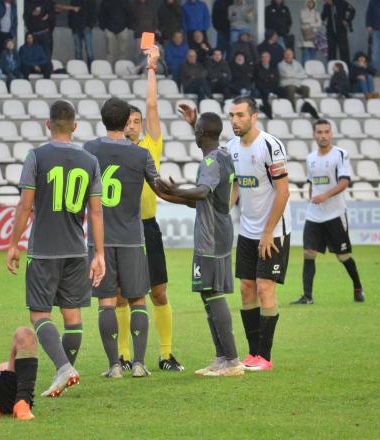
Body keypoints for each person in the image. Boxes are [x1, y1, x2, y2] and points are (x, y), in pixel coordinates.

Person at [6, 100, 105, 397]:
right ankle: (63, 372)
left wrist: (13, 244)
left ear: (47, 124)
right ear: (74, 127)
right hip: (76, 249)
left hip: (44, 250)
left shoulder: (36, 156)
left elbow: (25, 204)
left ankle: (64, 369)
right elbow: (97, 212)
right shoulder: (90, 161)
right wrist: (99, 253)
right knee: (72, 316)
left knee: (39, 315)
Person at [159, 106, 244, 377]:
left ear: (200, 134)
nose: (194, 136)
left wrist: (176, 189)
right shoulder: (222, 155)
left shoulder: (210, 161)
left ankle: (231, 359)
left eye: (196, 131)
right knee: (209, 293)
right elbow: (200, 198)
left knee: (213, 293)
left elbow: (201, 191)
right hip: (218, 230)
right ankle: (222, 357)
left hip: (211, 235)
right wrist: (169, 192)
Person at [83, 97, 162, 379]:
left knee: (106, 301)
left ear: (104, 120)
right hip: (131, 237)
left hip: (99, 240)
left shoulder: (89, 149)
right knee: (138, 299)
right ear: (127, 120)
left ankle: (115, 365)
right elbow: (159, 186)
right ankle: (139, 364)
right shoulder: (141, 154)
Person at [120, 46, 184, 373]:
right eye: (129, 122)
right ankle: (123, 355)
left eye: (138, 122)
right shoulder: (113, 151)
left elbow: (152, 103)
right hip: (122, 230)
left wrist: (151, 68)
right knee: (120, 296)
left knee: (158, 291)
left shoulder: (151, 145)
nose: (134, 126)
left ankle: (166, 354)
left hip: (148, 226)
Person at [226, 95, 290, 372]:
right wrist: (222, 211)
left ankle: (265, 356)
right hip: (248, 231)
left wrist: (267, 232)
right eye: (232, 116)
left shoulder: (270, 146)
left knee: (265, 288)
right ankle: (252, 354)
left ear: (253, 117)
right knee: (246, 289)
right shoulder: (231, 147)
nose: (235, 121)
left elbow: (283, 191)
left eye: (240, 115)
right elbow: (237, 185)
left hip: (273, 231)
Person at [291, 119, 364, 305]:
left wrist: (324, 196)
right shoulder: (310, 158)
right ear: (314, 135)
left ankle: (357, 287)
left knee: (342, 256)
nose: (323, 135)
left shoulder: (340, 154)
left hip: (334, 214)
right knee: (309, 252)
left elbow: (344, 182)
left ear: (331, 134)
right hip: (314, 214)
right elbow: (311, 182)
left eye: (326, 132)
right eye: (319, 132)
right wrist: (312, 197)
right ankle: (307, 296)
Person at [321, 0, 354, 64]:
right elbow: (323, 17)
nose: (325, 1)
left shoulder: (342, 2)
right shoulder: (326, 6)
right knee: (331, 51)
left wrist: (347, 20)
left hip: (341, 31)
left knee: (344, 50)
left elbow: (353, 10)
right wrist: (321, 17)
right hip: (330, 32)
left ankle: (346, 68)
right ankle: (332, 68)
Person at [98, 0, 130, 64]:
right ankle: (109, 70)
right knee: (110, 52)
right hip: (109, 29)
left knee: (122, 52)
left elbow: (129, 13)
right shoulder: (106, 1)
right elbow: (101, 14)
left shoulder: (125, 1)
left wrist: (128, 25)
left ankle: (121, 69)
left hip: (122, 28)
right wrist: (103, 26)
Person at [68, 0, 96, 67]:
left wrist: (90, 25)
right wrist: (72, 26)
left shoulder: (91, 1)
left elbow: (94, 13)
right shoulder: (74, 1)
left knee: (89, 51)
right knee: (78, 51)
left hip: (86, 28)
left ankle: (91, 70)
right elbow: (70, 13)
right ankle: (79, 69)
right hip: (76, 28)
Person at [254, 51, 279, 117]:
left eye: (266, 57)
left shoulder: (273, 67)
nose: (265, 58)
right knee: (264, 92)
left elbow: (276, 79)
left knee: (282, 90)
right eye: (263, 57)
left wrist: (267, 78)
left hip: (272, 87)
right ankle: (268, 112)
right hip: (262, 88)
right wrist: (269, 77)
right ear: (261, 58)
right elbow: (258, 80)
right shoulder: (257, 67)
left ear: (269, 58)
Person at [299, 0, 321, 65]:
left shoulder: (316, 13)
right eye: (309, 2)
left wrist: (311, 24)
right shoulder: (302, 11)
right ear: (306, 3)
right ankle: (305, 71)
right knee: (305, 55)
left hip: (314, 35)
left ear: (314, 3)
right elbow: (303, 20)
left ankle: (312, 70)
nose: (310, 3)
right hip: (305, 35)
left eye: (312, 2)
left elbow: (319, 23)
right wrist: (314, 21)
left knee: (313, 54)